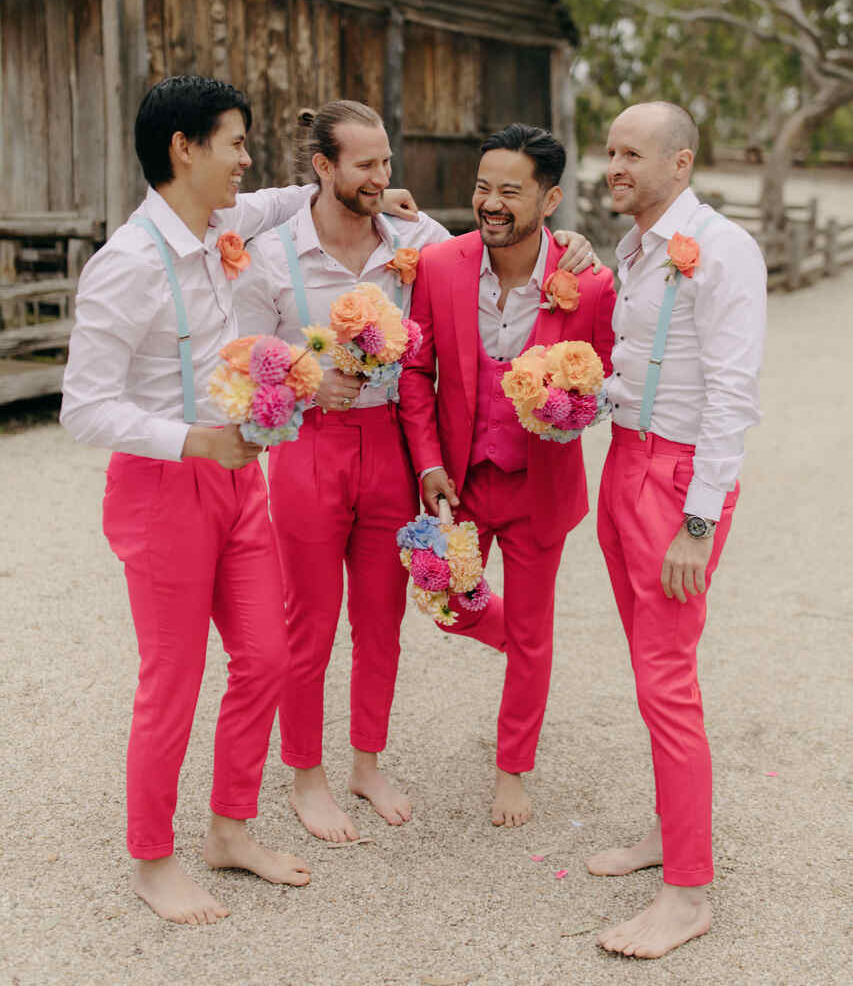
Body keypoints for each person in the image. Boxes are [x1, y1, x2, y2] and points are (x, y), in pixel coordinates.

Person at [59, 76, 418, 923]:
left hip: (237, 483)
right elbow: (82, 407)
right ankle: (152, 862)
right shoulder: (126, 266)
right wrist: (191, 440)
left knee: (264, 657)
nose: (247, 160)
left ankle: (228, 828)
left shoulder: (225, 223)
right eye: (234, 144)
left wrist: (375, 187)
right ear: (183, 149)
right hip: (162, 488)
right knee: (172, 681)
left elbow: (295, 192)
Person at [235, 103, 596, 844]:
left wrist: (571, 244)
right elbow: (245, 363)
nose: (383, 179)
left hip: (392, 451)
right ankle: (307, 775)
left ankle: (366, 763)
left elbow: (504, 240)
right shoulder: (270, 256)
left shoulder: (416, 241)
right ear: (323, 168)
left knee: (382, 621)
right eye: (366, 166)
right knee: (307, 624)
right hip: (309, 451)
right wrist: (306, 383)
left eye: (387, 165)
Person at [398, 124, 616, 828]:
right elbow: (414, 372)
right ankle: (519, 640)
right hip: (458, 479)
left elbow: (603, 383)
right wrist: (428, 462)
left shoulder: (589, 284)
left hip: (539, 485)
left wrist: (572, 412)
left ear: (549, 199)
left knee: (533, 623)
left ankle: (512, 768)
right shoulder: (437, 264)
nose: (489, 203)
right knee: (442, 601)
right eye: (481, 188)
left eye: (509, 192)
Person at [588, 101, 766, 959]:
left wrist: (697, 519)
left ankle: (687, 893)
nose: (613, 166)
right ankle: (669, 828)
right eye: (610, 151)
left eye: (631, 154)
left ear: (681, 162)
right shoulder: (634, 248)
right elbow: (635, 366)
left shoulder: (722, 251)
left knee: (665, 679)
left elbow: (731, 396)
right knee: (644, 665)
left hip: (677, 480)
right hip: (623, 461)